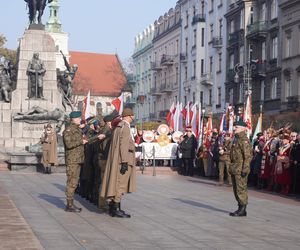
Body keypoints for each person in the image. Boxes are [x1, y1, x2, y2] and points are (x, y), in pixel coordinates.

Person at [100, 108, 136, 218]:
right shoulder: (125, 127)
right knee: (120, 185)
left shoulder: (119, 126)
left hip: (118, 159)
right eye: (133, 115)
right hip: (123, 160)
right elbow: (123, 145)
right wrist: (124, 162)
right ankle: (115, 208)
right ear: (129, 116)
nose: (134, 117)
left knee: (116, 183)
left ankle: (113, 208)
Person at [63, 111, 88, 212]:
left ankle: (71, 203)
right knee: (71, 182)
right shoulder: (69, 130)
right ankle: (69, 205)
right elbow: (69, 144)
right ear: (73, 119)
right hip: (72, 160)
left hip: (77, 159)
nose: (80, 120)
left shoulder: (76, 129)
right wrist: (81, 141)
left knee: (74, 181)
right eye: (78, 118)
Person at [229, 120, 252, 217]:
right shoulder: (236, 139)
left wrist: (245, 170)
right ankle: (240, 207)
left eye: (237, 127)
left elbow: (248, 157)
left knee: (241, 189)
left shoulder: (244, 140)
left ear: (243, 128)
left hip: (241, 168)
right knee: (236, 189)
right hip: (235, 168)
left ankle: (243, 209)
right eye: (234, 127)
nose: (234, 128)